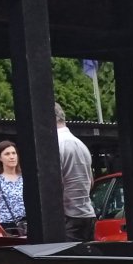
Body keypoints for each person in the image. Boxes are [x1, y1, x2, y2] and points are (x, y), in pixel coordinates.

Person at [54, 103, 95, 242]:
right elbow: (90, 182)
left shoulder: (55, 144)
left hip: (68, 218)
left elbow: (54, 185)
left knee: (67, 262)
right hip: (87, 214)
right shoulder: (80, 144)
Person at [0, 140, 26, 236]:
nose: (12, 157)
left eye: (14, 153)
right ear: (0, 158)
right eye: (7, 154)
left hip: (26, 224)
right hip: (7, 227)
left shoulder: (24, 177)